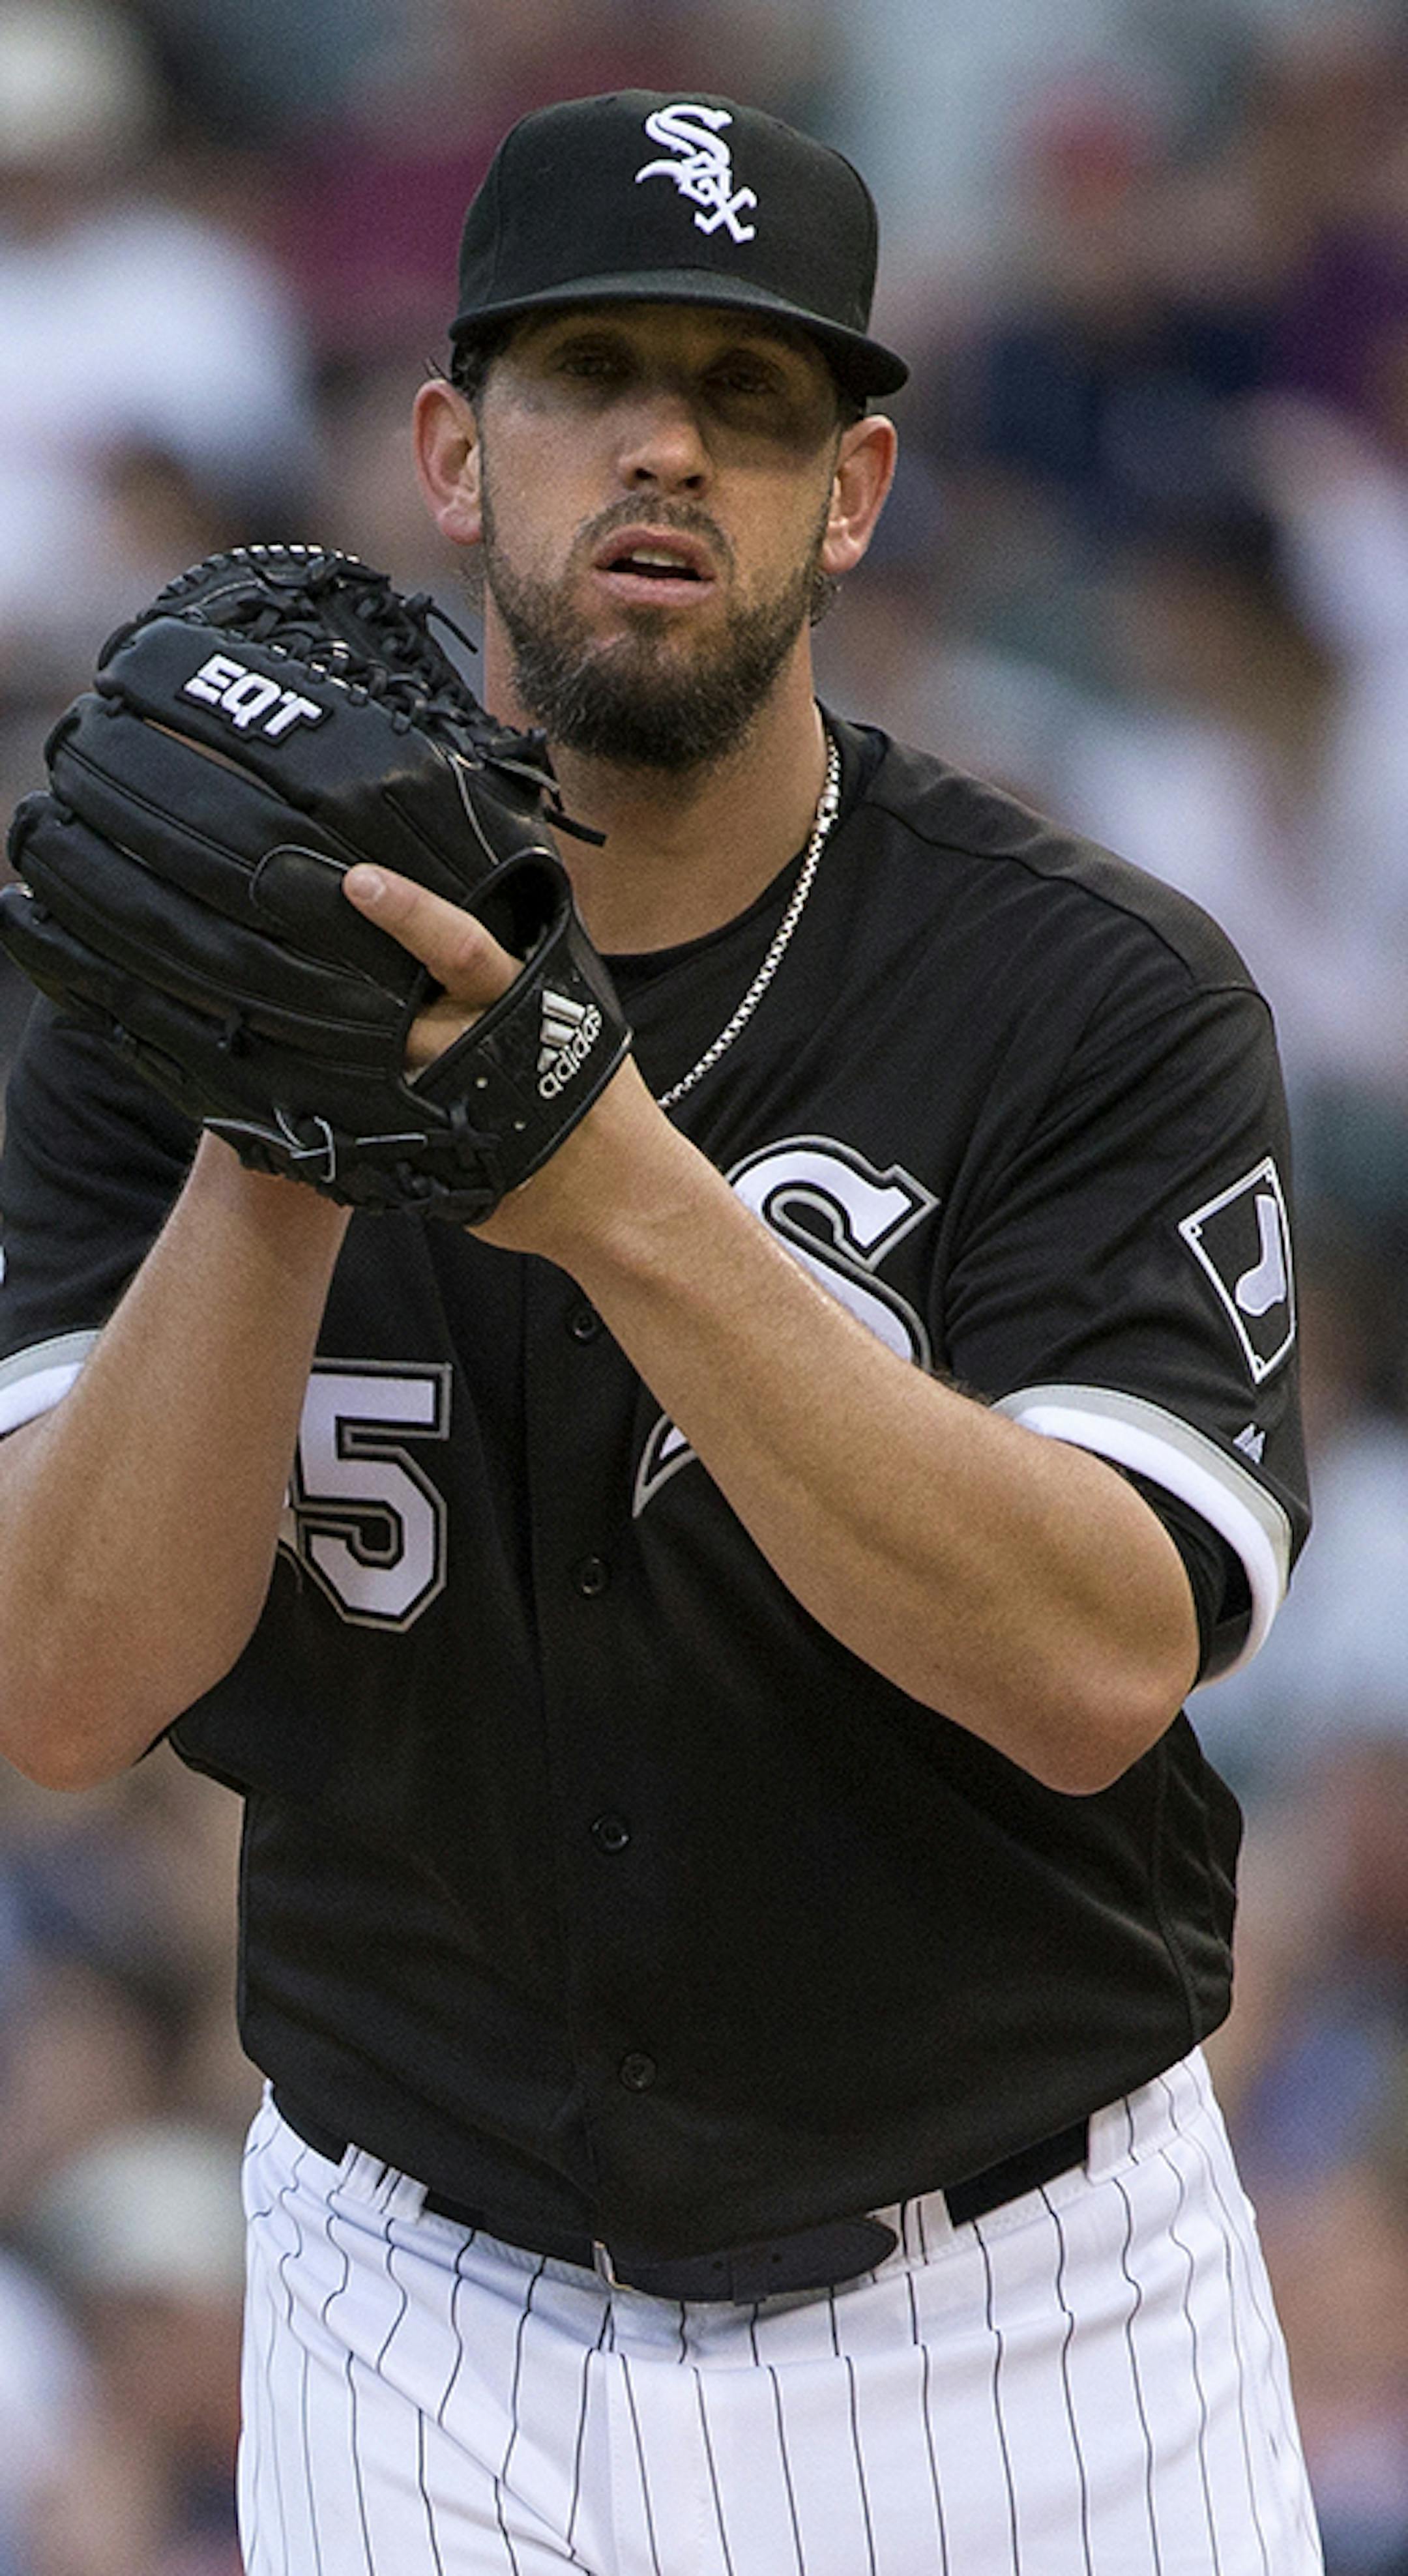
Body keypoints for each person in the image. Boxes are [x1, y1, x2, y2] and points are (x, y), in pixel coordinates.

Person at [0, 87, 1322, 2575]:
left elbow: (1091, 1660)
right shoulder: (184, 1005)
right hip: (416, 2301)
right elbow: (59, 1700)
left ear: (856, 491)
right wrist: (278, 1138)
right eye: (594, 368)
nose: (665, 444)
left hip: (1021, 2325)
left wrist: (598, 1172)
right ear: (451, 451)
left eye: (751, 393)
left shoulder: (1086, 993)